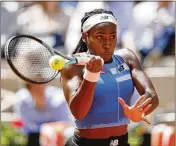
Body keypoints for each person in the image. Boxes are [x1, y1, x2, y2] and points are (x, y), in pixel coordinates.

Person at [61, 9, 159, 146]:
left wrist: (141, 110)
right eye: (100, 37)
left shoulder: (128, 58)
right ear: (85, 37)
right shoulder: (73, 66)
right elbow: (79, 112)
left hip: (121, 142)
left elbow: (152, 95)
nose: (107, 44)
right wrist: (91, 75)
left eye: (112, 36)